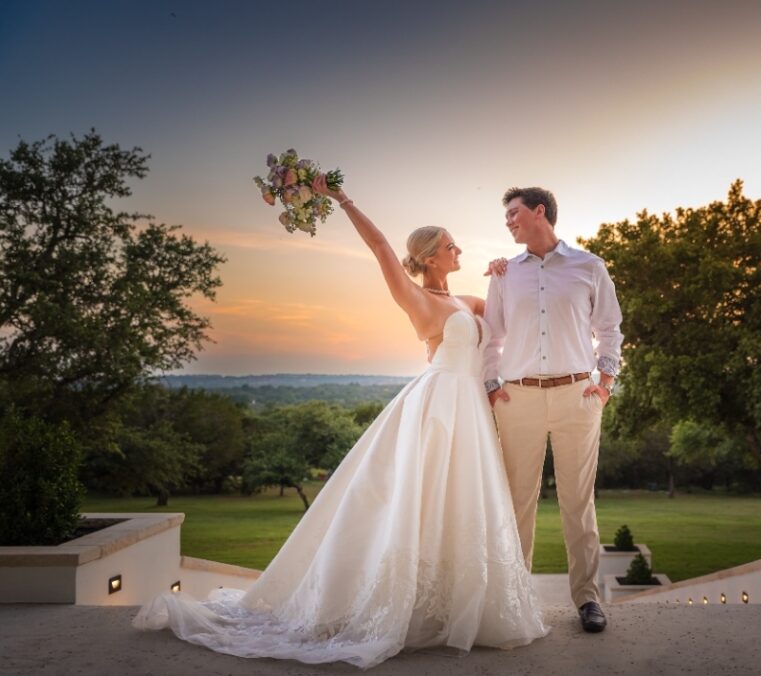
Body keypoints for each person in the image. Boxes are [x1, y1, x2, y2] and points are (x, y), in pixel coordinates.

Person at [132, 176, 549, 669]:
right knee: (419, 501)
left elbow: (507, 317)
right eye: (450, 244)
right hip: (437, 406)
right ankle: (404, 608)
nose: (459, 248)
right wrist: (341, 198)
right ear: (431, 255)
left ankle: (462, 609)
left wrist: (503, 274)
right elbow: (379, 248)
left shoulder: (469, 303)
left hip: (472, 412)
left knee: (463, 504)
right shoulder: (417, 299)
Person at [483, 186, 623, 634]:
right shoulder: (504, 274)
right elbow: (491, 336)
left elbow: (610, 328)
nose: (508, 221)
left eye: (513, 212)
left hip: (576, 397)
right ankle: (516, 599)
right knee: (516, 503)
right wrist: (491, 385)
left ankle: (587, 599)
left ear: (538, 212)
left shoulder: (589, 266)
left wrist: (604, 384)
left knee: (578, 503)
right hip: (517, 398)